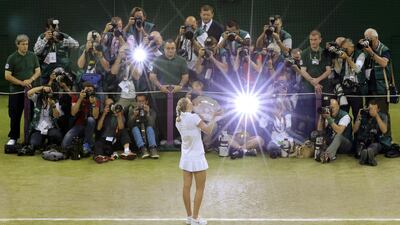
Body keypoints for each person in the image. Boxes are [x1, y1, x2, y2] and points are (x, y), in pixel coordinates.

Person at [175, 97, 218, 225]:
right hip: (197, 157)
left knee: (186, 187)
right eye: (190, 102)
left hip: (186, 158)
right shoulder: (193, 118)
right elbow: (208, 130)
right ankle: (195, 218)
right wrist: (214, 117)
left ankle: (189, 217)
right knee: (200, 188)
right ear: (188, 106)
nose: (192, 103)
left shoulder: (178, 120)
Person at [149, 40, 189, 143]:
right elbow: (152, 76)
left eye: (172, 48)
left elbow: (185, 76)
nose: (170, 50)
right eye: (168, 48)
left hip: (177, 94)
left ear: (175, 49)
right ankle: (164, 138)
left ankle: (176, 138)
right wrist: (160, 86)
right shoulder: (157, 60)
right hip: (161, 95)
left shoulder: (181, 60)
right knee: (162, 116)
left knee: (178, 116)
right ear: (164, 49)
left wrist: (179, 86)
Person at [5, 34, 41, 146]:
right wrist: (22, 83)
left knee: (30, 114)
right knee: (15, 115)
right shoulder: (12, 58)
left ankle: (29, 136)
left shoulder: (33, 56)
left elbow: (38, 71)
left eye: (27, 44)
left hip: (30, 92)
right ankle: (13, 137)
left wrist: (31, 79)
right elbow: (7, 76)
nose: (25, 46)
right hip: (16, 91)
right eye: (23, 44)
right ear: (17, 45)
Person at [299, 30, 332, 136]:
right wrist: (313, 82)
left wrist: (317, 80)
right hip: (308, 88)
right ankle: (309, 138)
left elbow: (328, 70)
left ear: (320, 40)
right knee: (309, 113)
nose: (313, 42)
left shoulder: (325, 53)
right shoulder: (304, 53)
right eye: (311, 40)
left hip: (324, 87)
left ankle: (324, 137)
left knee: (324, 112)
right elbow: (303, 71)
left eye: (315, 39)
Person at [34, 18, 79, 84]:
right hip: (46, 72)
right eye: (53, 26)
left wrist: (62, 40)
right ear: (47, 28)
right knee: (45, 92)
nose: (56, 28)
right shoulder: (42, 37)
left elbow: (76, 45)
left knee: (64, 91)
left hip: (63, 72)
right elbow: (36, 51)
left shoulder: (63, 36)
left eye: (57, 25)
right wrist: (45, 39)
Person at [61, 82, 99, 155]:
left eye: (91, 90)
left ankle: (87, 144)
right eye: (87, 89)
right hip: (79, 124)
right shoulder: (76, 97)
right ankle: (78, 146)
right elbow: (73, 113)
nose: (88, 92)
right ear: (82, 90)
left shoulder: (95, 99)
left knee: (90, 120)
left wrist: (93, 104)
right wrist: (80, 99)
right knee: (64, 145)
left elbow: (95, 116)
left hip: (90, 126)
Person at [94, 98, 135, 163]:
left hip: (117, 139)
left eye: (112, 104)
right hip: (106, 140)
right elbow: (98, 128)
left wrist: (118, 115)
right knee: (98, 143)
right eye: (108, 105)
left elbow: (121, 128)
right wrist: (104, 114)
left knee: (124, 130)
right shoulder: (103, 114)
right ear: (105, 106)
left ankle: (127, 151)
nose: (111, 106)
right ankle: (99, 156)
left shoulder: (119, 113)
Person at [353, 100, 391, 166]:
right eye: (370, 109)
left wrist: (376, 116)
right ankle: (364, 157)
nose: (372, 111)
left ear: (378, 109)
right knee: (359, 150)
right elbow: (355, 130)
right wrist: (359, 116)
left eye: (374, 109)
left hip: (376, 141)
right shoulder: (364, 115)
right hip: (364, 141)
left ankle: (369, 155)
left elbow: (384, 130)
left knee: (374, 147)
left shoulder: (383, 116)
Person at [316, 98, 353, 163]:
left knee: (338, 136)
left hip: (345, 145)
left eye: (333, 108)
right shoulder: (329, 115)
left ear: (338, 106)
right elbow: (319, 131)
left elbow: (339, 131)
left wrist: (329, 118)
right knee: (315, 134)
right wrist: (321, 117)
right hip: (333, 143)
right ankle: (317, 152)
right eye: (330, 108)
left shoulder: (345, 116)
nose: (331, 110)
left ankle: (327, 155)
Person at [27, 85, 63, 150]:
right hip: (38, 129)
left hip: (50, 128)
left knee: (58, 136)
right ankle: (42, 141)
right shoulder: (37, 99)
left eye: (50, 92)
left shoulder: (55, 101)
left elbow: (57, 116)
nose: (49, 94)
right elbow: (29, 93)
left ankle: (49, 142)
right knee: (34, 143)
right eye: (47, 92)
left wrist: (53, 106)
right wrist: (42, 87)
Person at [127, 94, 159, 159]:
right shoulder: (132, 111)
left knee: (150, 128)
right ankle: (143, 149)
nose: (141, 103)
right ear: (136, 102)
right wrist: (134, 116)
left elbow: (152, 124)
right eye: (139, 101)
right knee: (135, 129)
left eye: (142, 101)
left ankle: (153, 149)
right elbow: (129, 125)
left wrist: (148, 113)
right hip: (137, 137)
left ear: (146, 102)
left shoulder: (151, 111)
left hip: (149, 135)